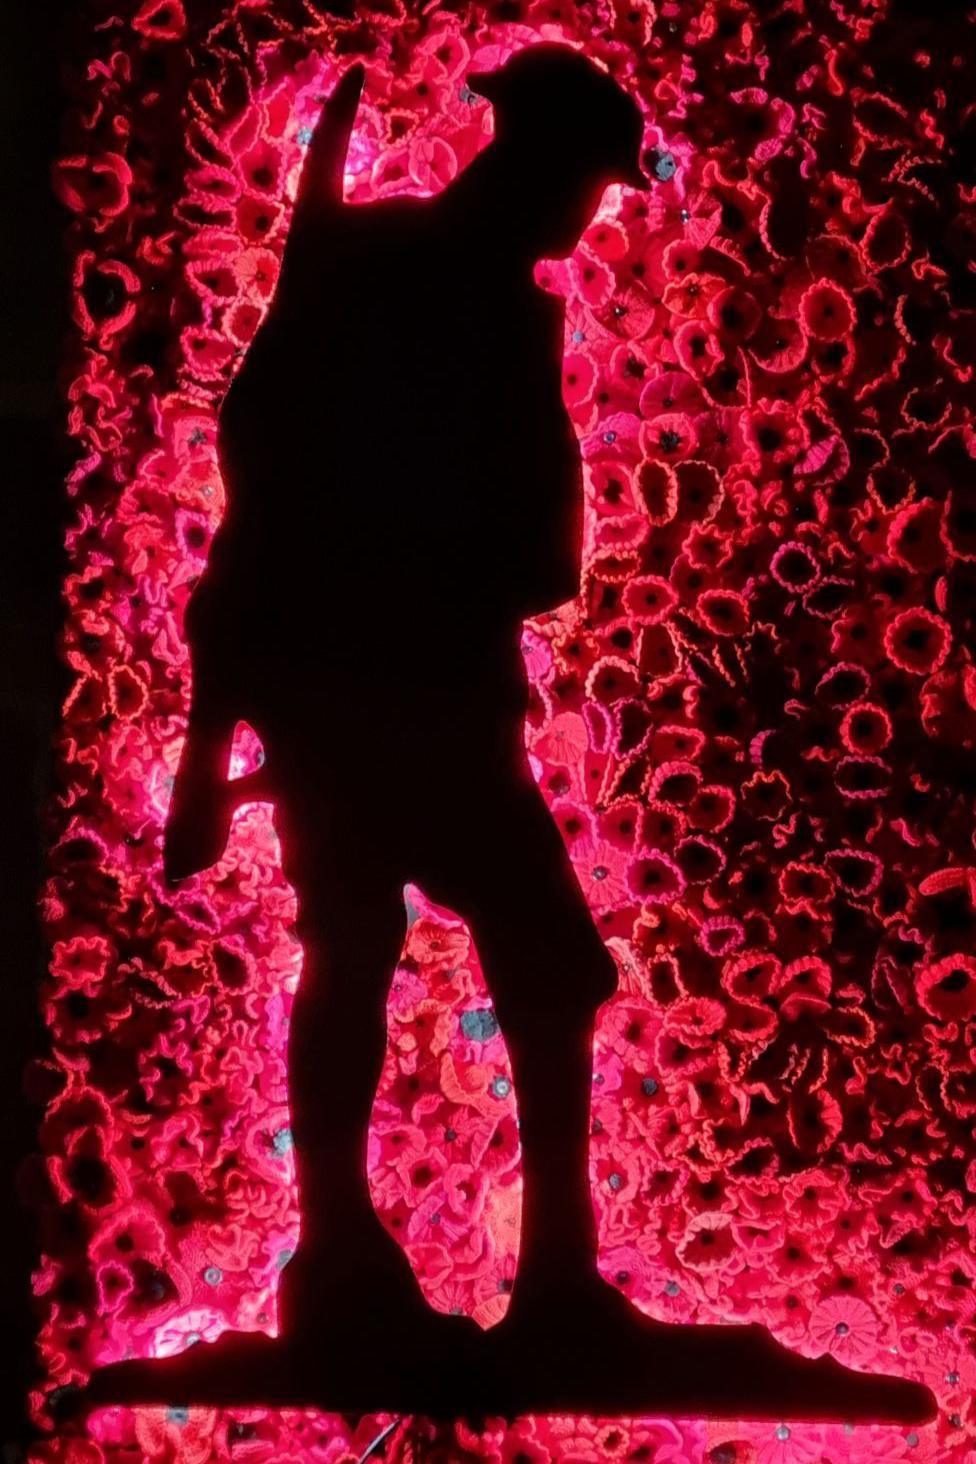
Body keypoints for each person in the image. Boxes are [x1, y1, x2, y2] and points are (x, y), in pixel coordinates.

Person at [86, 46, 933, 1420]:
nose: (589, 218)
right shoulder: (383, 273)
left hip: (434, 684)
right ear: (534, 161)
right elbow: (267, 487)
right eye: (588, 187)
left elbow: (522, 540)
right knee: (429, 958)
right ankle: (391, 1269)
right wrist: (210, 739)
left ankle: (497, 1276)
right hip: (370, 688)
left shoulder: (476, 295)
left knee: (445, 961)